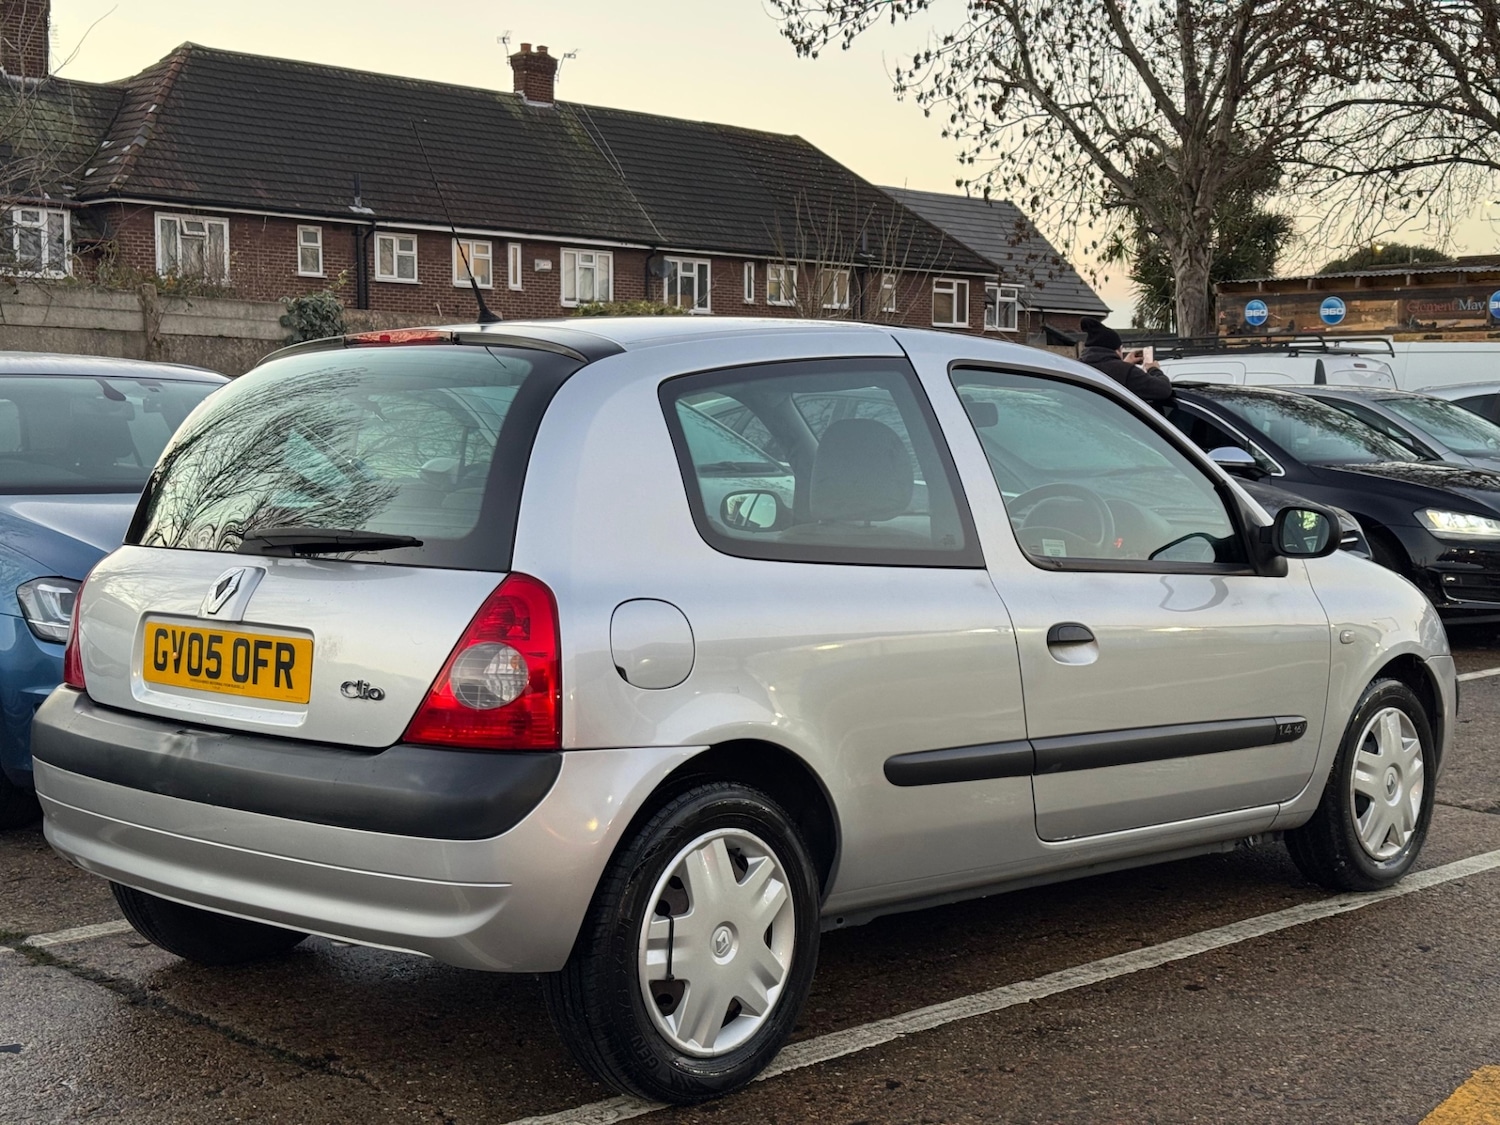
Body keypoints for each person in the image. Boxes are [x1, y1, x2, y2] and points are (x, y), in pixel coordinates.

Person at [1077, 318, 1175, 410]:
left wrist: (1124, 364)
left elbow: (1107, 373)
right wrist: (1154, 369)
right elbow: (1163, 390)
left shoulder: (1077, 366)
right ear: (1117, 350)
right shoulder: (1125, 372)